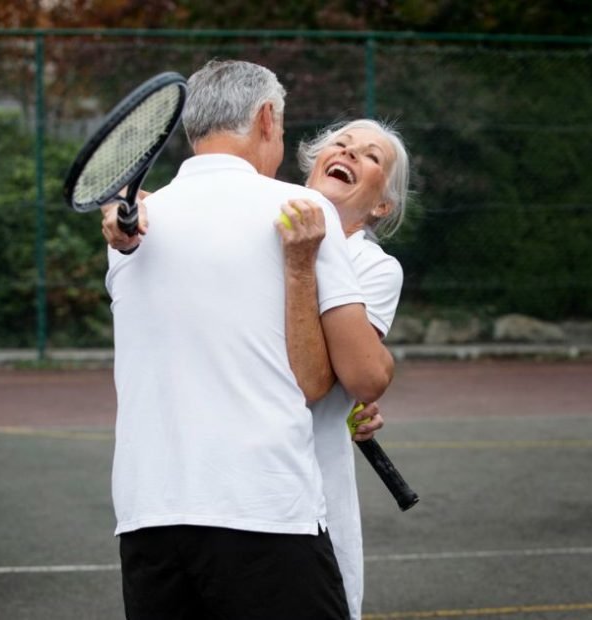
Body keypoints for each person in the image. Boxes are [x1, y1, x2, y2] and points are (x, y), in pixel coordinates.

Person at [103, 59, 393, 620]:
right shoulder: (301, 212)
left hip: (147, 514)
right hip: (262, 508)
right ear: (266, 119)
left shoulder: (134, 223)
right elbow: (340, 379)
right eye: (281, 129)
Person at [277, 119, 411, 620]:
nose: (351, 153)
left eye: (371, 156)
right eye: (341, 143)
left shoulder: (373, 266)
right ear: (312, 164)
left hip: (313, 489)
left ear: (381, 206)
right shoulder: (254, 227)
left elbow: (352, 375)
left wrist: (364, 385)